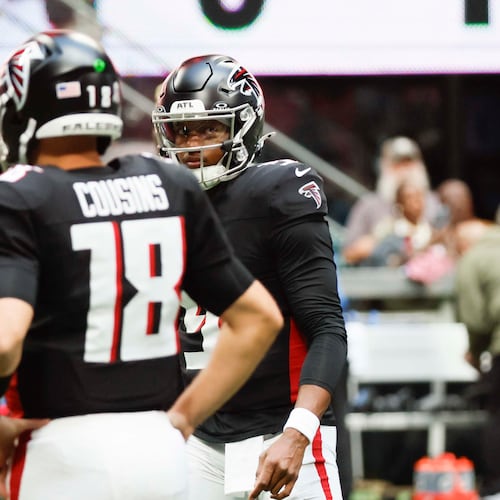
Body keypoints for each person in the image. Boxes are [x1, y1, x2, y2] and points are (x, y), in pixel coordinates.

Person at [0, 30, 283, 499]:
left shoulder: (20, 195)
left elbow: (7, 341)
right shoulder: (167, 184)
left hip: (58, 449)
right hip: (159, 449)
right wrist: (184, 418)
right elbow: (258, 318)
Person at [152, 54, 348, 500]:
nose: (193, 144)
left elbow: (327, 328)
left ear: (243, 128)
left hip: (277, 429)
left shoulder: (279, 192)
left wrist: (298, 432)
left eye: (209, 129)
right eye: (183, 131)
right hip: (196, 436)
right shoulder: (162, 198)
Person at [454, 218, 500, 499]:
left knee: (497, 416)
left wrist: (475, 352)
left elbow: (476, 319)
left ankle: (496, 485)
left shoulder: (474, 258)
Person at [342, 135, 441, 265]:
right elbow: (348, 253)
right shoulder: (368, 205)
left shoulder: (432, 202)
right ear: (385, 166)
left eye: (408, 163)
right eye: (398, 164)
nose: (405, 170)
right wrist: (376, 242)